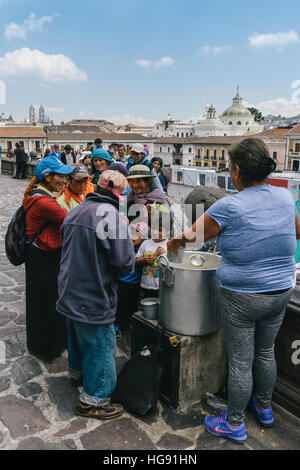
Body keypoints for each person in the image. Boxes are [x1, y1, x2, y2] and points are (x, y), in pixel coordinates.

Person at [167, 138, 300, 445]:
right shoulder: (283, 196)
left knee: (241, 360)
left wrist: (172, 245)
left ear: (236, 170)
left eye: (229, 167)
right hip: (280, 290)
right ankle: (265, 408)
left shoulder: (229, 205)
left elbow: (190, 237)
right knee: (265, 351)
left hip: (242, 296)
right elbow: (296, 231)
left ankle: (234, 422)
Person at [56, 170, 135, 420]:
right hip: (93, 294)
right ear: (118, 194)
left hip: (69, 289)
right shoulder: (112, 216)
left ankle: (77, 374)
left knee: (78, 335)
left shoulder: (77, 210)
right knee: (100, 344)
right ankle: (94, 400)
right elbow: (124, 263)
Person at [23, 157, 75, 361]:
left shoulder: (37, 194)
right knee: (48, 301)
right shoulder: (44, 202)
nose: (64, 180)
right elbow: (72, 220)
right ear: (47, 176)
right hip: (44, 258)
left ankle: (43, 343)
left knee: (41, 301)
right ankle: (48, 346)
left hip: (39, 256)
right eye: (61, 176)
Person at [126, 165, 172, 232]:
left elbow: (165, 225)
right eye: (132, 181)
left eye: (138, 181)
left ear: (148, 181)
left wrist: (153, 214)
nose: (134, 185)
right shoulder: (130, 198)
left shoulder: (159, 199)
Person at [136, 213, 168, 303]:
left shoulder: (170, 245)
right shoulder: (146, 243)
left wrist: (164, 255)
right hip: (145, 286)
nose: (155, 232)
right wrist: (144, 260)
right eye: (153, 229)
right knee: (143, 308)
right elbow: (136, 260)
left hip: (161, 288)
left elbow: (174, 266)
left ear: (168, 231)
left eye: (160, 230)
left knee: (160, 310)